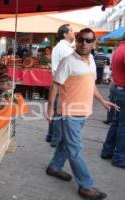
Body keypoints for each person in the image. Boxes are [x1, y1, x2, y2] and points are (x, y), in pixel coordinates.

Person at [46, 28, 118, 200]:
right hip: (69, 112)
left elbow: (90, 83)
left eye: (88, 40)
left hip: (83, 112)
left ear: (94, 43)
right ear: (76, 40)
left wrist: (102, 100)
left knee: (65, 143)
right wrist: (50, 108)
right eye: (81, 39)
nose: (84, 43)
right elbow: (55, 85)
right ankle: (86, 186)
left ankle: (54, 167)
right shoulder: (68, 61)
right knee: (75, 149)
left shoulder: (91, 60)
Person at [46, 24, 75, 147]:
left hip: (61, 82)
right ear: (65, 34)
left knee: (57, 111)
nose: (74, 33)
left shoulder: (63, 47)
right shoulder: (64, 48)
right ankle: (56, 139)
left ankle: (51, 135)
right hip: (63, 84)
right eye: (72, 31)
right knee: (59, 112)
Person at [101, 33, 125, 169]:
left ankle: (107, 151)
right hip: (123, 91)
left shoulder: (118, 49)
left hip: (117, 89)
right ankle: (120, 158)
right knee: (123, 126)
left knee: (116, 123)